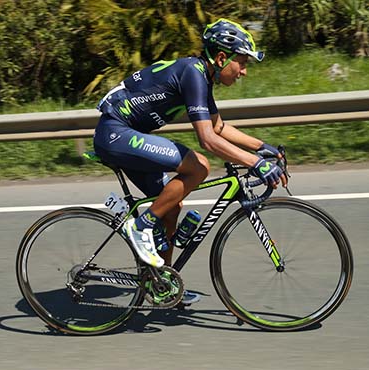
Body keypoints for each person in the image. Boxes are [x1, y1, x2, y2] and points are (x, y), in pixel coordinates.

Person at [93, 18, 288, 304]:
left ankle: (161, 284)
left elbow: (218, 127)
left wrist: (263, 148)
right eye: (242, 63)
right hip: (115, 133)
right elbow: (207, 140)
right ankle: (141, 227)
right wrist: (255, 163)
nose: (244, 71)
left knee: (172, 205)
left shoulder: (201, 76)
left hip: (126, 134)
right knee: (198, 166)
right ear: (222, 57)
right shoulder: (193, 72)